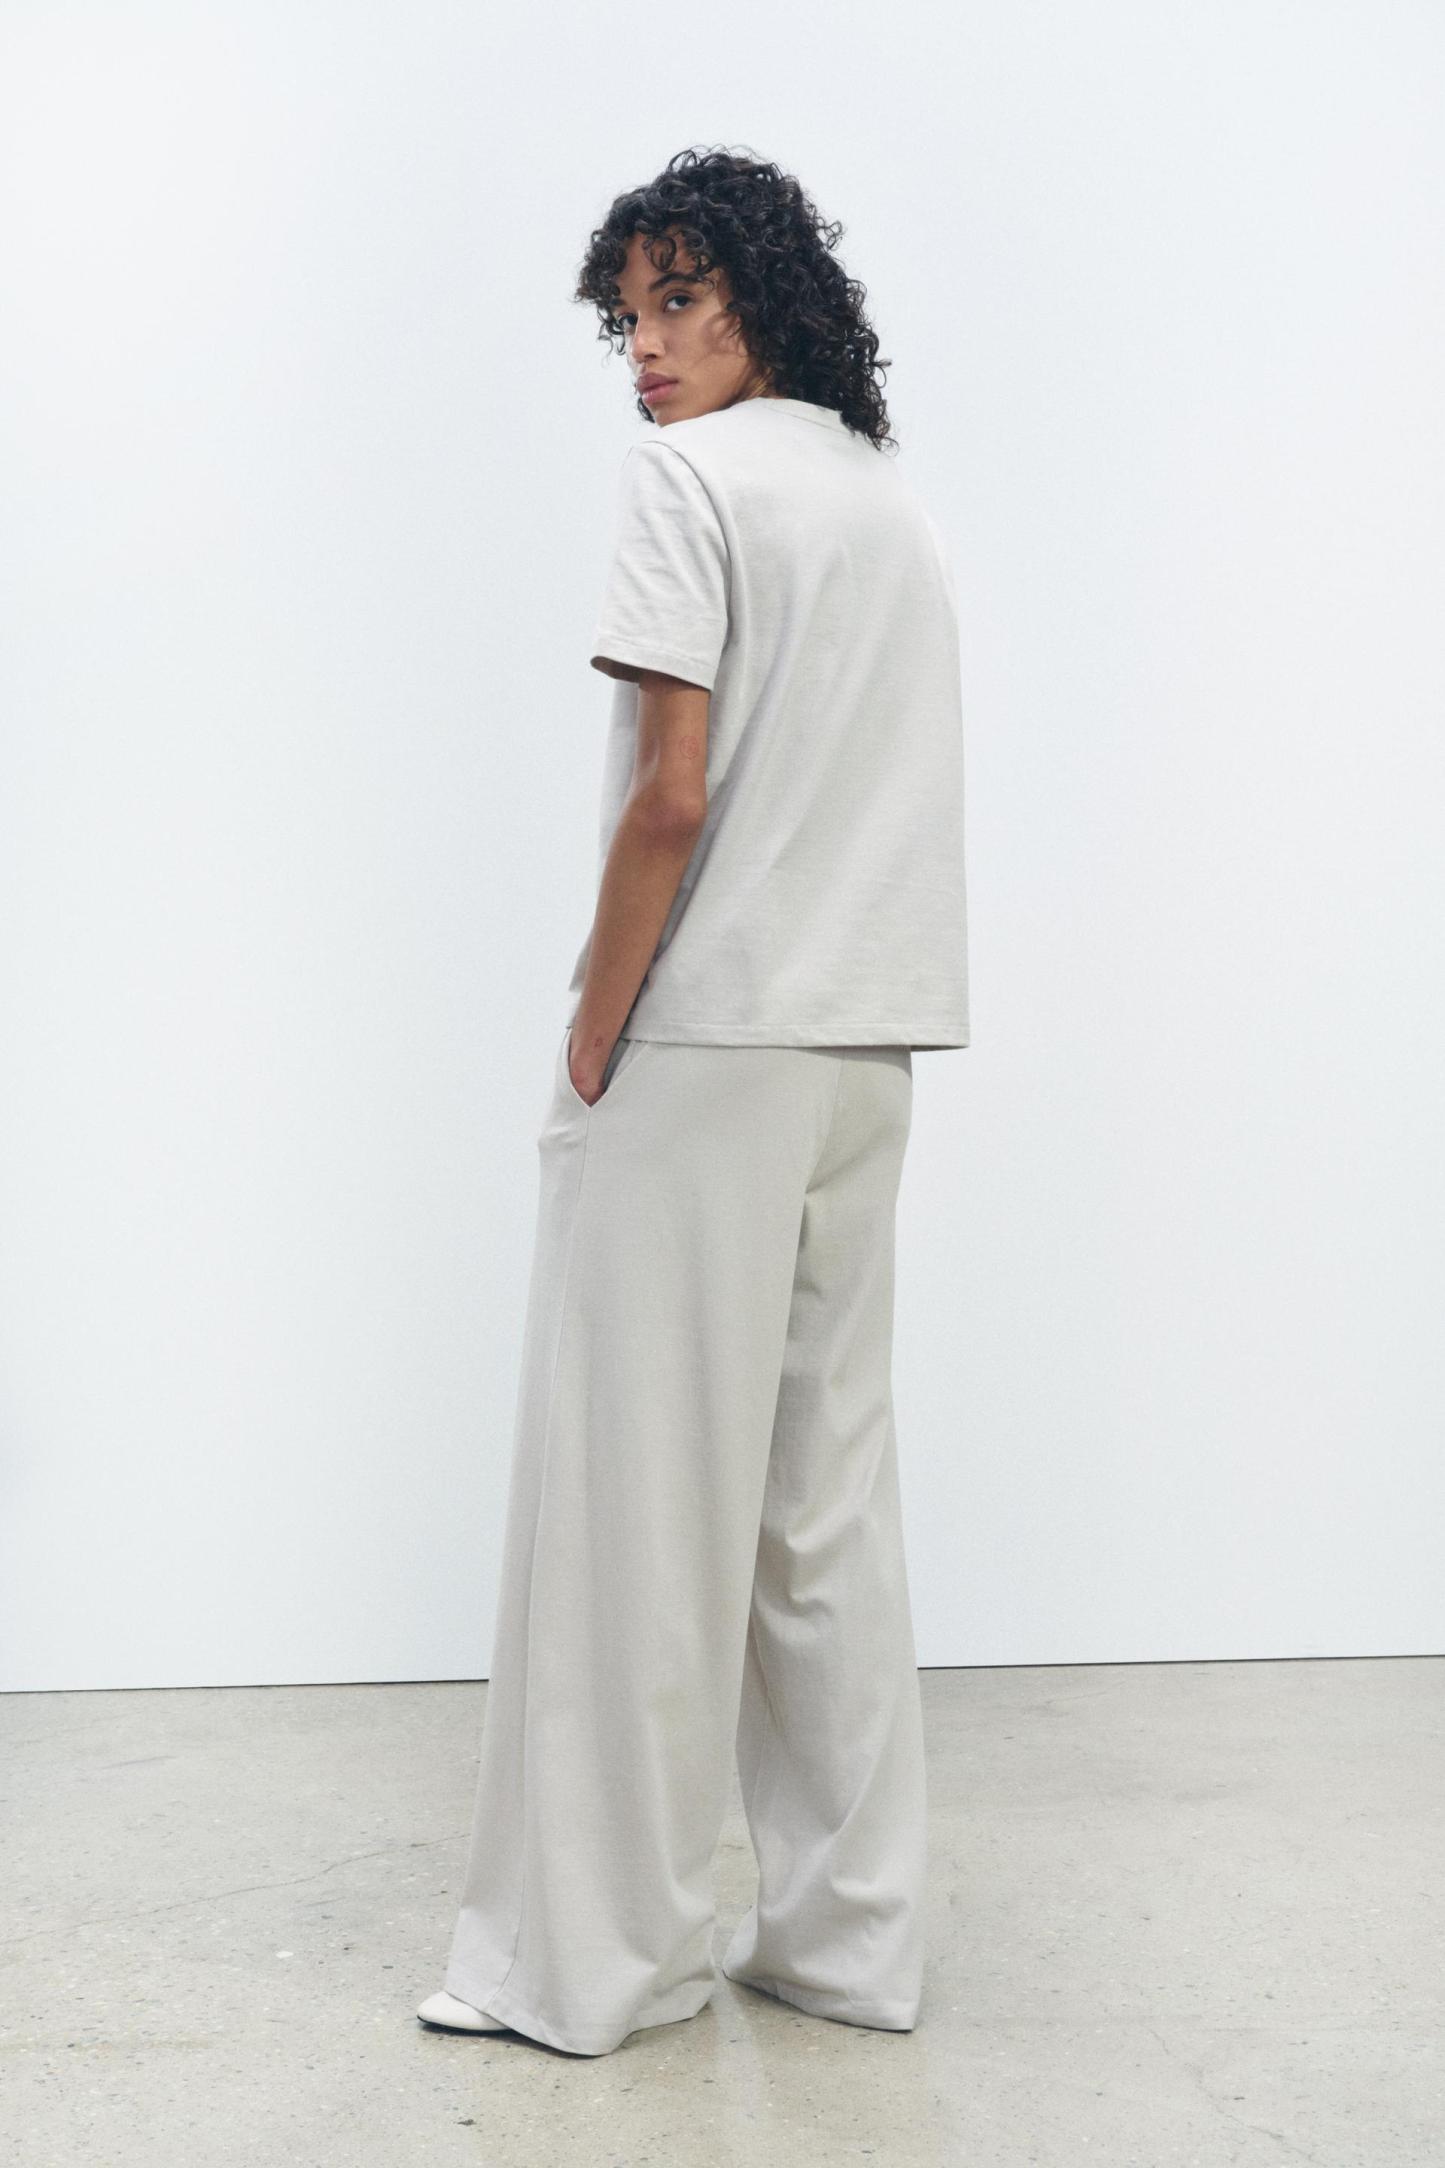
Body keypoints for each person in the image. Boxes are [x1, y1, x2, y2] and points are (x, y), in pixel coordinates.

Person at [417, 144, 969, 2058]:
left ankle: (594, 1965)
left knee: (630, 1513)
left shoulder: (691, 480)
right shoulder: (881, 498)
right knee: (821, 1512)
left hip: (709, 1040)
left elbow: (670, 795)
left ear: (764, 299)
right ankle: (850, 1943)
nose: (646, 349)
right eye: (627, 317)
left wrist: (593, 1019)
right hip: (865, 1044)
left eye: (680, 301)